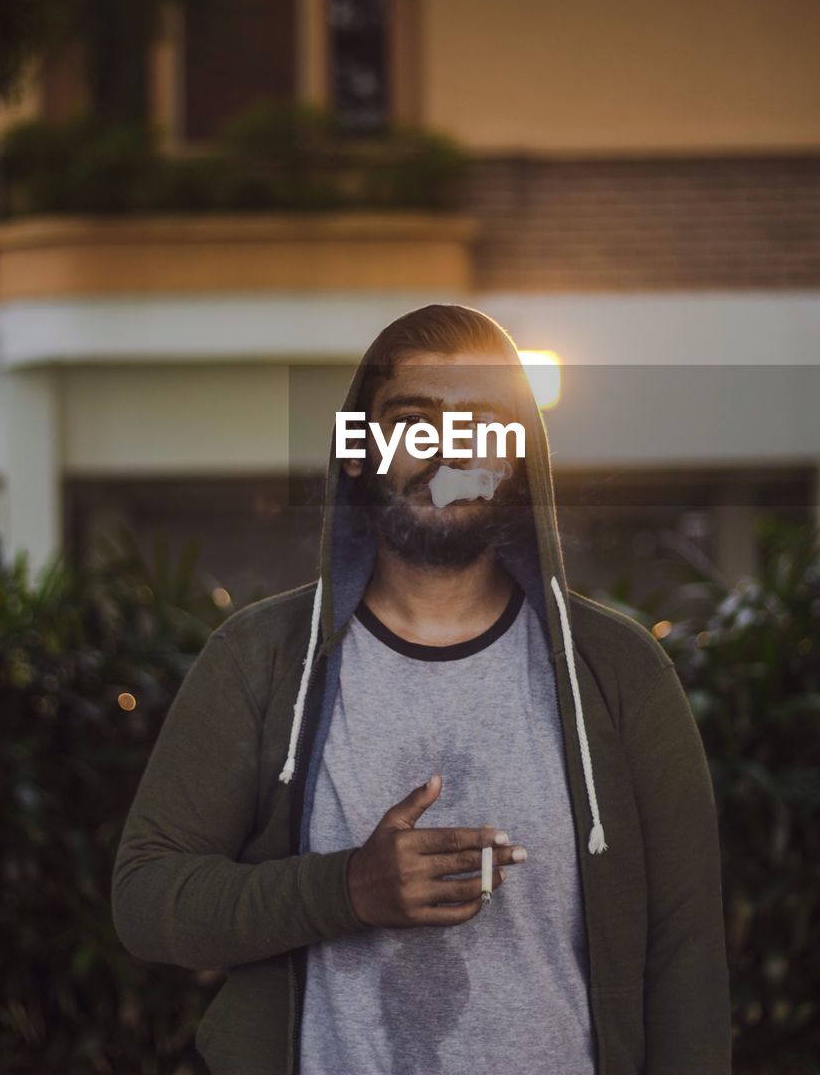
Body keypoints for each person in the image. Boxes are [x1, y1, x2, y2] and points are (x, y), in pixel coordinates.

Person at [111, 303, 732, 1075]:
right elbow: (146, 897)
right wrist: (348, 890)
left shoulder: (617, 670)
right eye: (413, 421)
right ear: (356, 453)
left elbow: (686, 959)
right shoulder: (260, 659)